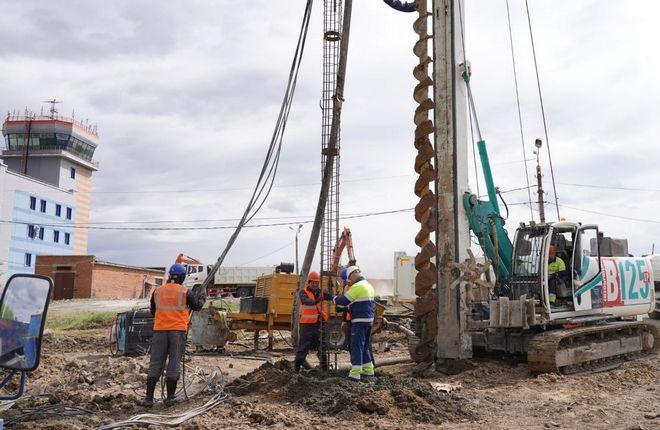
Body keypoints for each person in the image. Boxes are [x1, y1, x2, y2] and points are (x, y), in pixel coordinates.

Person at [140, 263, 205, 407]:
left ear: (170, 276)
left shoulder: (158, 291)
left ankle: (149, 398)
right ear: (182, 277)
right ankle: (170, 397)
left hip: (159, 331)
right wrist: (202, 296)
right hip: (177, 332)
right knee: (174, 362)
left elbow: (153, 311)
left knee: (156, 362)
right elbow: (197, 307)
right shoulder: (185, 292)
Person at [333, 266, 375, 381]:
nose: (349, 281)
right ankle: (369, 371)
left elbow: (343, 301)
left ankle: (355, 375)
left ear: (352, 275)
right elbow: (357, 303)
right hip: (368, 321)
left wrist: (331, 297)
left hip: (359, 321)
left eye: (349, 278)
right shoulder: (368, 285)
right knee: (365, 347)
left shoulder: (357, 287)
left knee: (356, 346)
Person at [295, 271, 332, 372]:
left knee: (322, 346)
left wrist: (336, 297)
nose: (315, 285)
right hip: (307, 324)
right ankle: (296, 370)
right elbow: (307, 302)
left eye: (317, 283)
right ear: (309, 283)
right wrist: (317, 300)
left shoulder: (321, 292)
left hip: (320, 323)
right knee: (303, 346)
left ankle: (325, 369)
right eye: (313, 283)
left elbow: (331, 297)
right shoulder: (303, 293)